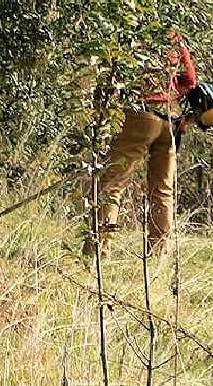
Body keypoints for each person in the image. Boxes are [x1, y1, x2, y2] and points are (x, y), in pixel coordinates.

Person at [84, 31, 201, 258]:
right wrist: (169, 91)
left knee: (112, 184)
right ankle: (159, 253)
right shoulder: (174, 37)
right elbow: (190, 80)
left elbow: (110, 72)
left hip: (141, 113)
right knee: (163, 190)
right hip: (171, 119)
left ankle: (98, 251)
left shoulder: (133, 30)